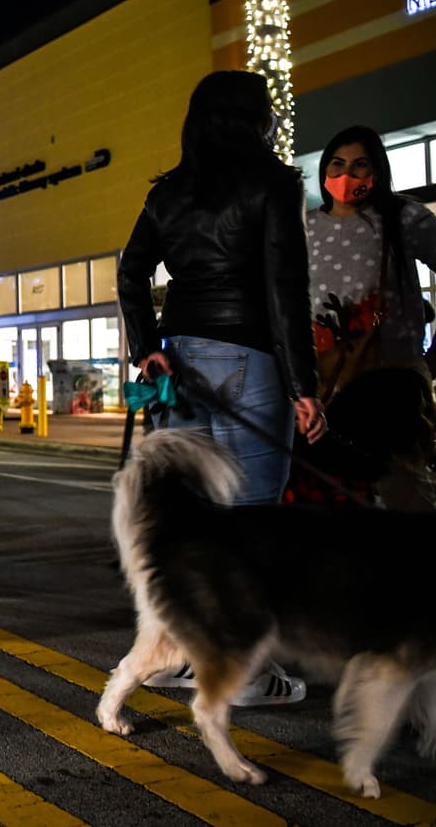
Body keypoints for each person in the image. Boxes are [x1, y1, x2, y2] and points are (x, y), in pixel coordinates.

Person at [115, 70, 325, 705]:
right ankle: (246, 675)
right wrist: (304, 384)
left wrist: (148, 348)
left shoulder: (170, 193)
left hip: (179, 363)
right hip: (249, 357)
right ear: (255, 120)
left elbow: (130, 271)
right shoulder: (273, 183)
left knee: (187, 521)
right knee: (252, 522)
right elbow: (285, 291)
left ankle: (178, 658)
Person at [304, 124, 436, 509]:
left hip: (392, 377)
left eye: (360, 165)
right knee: (333, 486)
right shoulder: (305, 227)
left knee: (403, 486)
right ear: (324, 170)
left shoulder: (404, 217)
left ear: (377, 170)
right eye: (337, 164)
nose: (347, 175)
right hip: (327, 377)